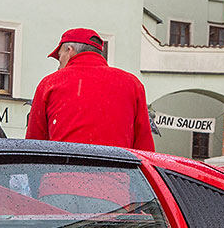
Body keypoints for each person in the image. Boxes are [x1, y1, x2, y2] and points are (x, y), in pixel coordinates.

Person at [25, 28, 153, 150]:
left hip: (64, 170)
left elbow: (34, 145)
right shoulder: (132, 84)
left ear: (70, 51)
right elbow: (144, 147)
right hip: (118, 171)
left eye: (59, 58)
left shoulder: (49, 84)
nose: (59, 67)